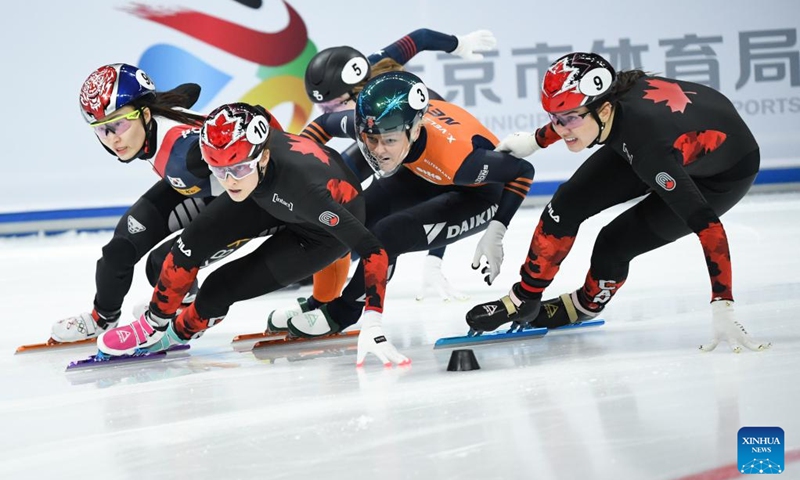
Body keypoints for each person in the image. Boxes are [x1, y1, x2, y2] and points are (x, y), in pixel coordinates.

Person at [466, 52, 771, 353]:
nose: (561, 128)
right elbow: (574, 116)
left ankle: (585, 305)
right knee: (567, 203)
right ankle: (525, 300)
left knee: (614, 243)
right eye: (553, 119)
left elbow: (709, 228)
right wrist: (536, 139)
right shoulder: (611, 101)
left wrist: (723, 303)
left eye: (569, 119)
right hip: (664, 143)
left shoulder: (649, 147)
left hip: (719, 176)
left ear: (606, 110)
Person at [96, 102, 409, 367]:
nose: (229, 181)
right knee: (188, 245)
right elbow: (254, 116)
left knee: (219, 288)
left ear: (263, 156)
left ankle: (180, 330)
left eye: (237, 170)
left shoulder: (305, 191)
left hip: (320, 233)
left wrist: (373, 320)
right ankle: (153, 325)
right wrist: (155, 317)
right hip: (263, 191)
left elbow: (373, 250)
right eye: (218, 171)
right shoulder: (245, 163)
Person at [267, 30, 497, 331]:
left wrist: (435, 259)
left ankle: (345, 304)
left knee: (382, 231)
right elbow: (420, 38)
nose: (328, 111)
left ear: (354, 92)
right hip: (401, 154)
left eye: (333, 105)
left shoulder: (394, 111)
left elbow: (448, 193)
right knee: (343, 213)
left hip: (453, 174)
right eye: (322, 106)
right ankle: (324, 297)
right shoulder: (370, 74)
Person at [281, 71, 536, 339]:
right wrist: (298, 162)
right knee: (350, 219)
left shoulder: (460, 161)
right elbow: (322, 124)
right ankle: (321, 301)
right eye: (372, 139)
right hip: (421, 171)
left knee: (388, 234)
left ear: (415, 130)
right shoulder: (370, 120)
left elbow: (522, 171)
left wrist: (498, 229)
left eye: (389, 139)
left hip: (479, 195)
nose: (378, 150)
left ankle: (344, 312)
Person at [50, 63, 266, 344]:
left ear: (146, 114)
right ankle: (102, 318)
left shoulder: (184, 153)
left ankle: (190, 309)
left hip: (244, 201)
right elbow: (191, 91)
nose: (114, 139)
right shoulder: (154, 115)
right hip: (194, 186)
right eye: (103, 130)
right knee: (119, 251)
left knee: (161, 264)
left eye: (120, 124)